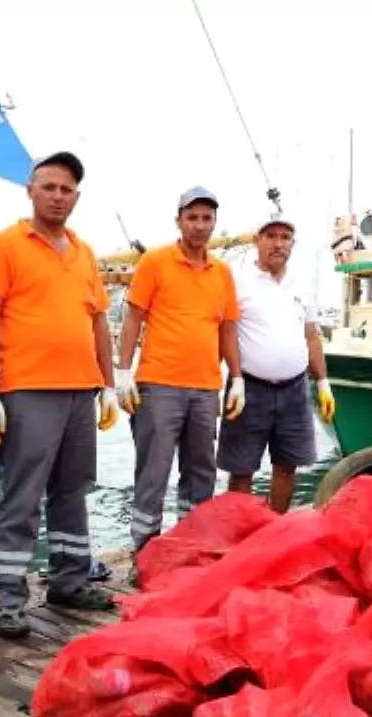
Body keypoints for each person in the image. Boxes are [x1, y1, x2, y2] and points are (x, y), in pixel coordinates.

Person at [0, 151, 120, 638]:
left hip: (81, 391)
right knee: (22, 498)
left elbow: (98, 320)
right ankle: (9, 600)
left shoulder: (83, 252)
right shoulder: (3, 245)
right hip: (27, 390)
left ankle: (69, 582)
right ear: (31, 190)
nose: (58, 196)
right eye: (49, 186)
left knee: (72, 493)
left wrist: (109, 385)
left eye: (67, 189)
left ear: (77, 197)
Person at [115, 187, 243, 582]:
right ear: (178, 221)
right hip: (158, 385)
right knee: (152, 473)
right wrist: (122, 373)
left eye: (207, 219)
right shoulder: (155, 262)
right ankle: (145, 555)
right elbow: (133, 318)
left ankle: (193, 550)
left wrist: (236, 378)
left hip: (206, 389)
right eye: (193, 218)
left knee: (200, 473)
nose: (200, 226)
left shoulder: (222, 272)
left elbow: (227, 329)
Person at [217, 216, 336, 513]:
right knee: (241, 468)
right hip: (248, 388)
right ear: (257, 241)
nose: (278, 243)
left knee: (287, 466)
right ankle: (239, 534)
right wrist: (236, 379)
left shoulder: (303, 284)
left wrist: (323, 382)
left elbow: (311, 336)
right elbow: (227, 331)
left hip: (294, 390)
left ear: (292, 245)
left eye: (285, 237)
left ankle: (274, 527)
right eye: (271, 236)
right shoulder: (237, 280)